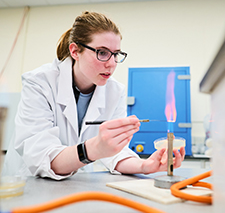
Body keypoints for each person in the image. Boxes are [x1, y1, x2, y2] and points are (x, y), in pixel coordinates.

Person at [2, 11, 185, 180]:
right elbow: (42, 156)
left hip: (70, 186)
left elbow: (114, 152)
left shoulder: (115, 91)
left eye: (116, 54)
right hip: (27, 184)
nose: (112, 63)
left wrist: (146, 166)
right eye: (102, 53)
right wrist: (94, 148)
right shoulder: (40, 83)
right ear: (75, 51)